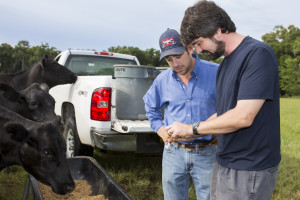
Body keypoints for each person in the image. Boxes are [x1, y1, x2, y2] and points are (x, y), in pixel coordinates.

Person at [165, 1, 281, 200]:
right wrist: (191, 132)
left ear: (218, 31)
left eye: (198, 43)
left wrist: (193, 129)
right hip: (224, 160)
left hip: (249, 167)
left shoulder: (257, 54)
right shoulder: (226, 63)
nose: (198, 51)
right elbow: (226, 111)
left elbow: (243, 116)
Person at [143, 28, 218, 200]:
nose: (175, 64)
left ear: (190, 48)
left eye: (178, 56)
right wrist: (161, 131)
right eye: (169, 59)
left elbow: (228, 109)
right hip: (173, 153)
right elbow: (151, 108)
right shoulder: (162, 80)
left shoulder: (216, 73)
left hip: (208, 152)